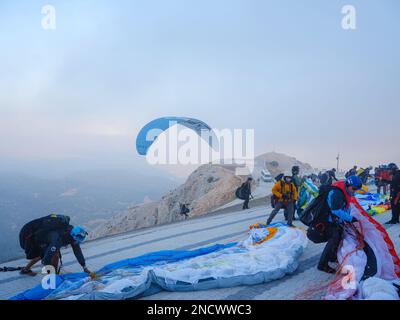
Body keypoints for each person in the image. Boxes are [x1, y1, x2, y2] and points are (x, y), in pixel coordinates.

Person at [19, 214, 93, 277]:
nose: (76, 242)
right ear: (72, 237)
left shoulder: (71, 232)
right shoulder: (57, 240)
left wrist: (84, 267)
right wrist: (51, 275)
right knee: (54, 254)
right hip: (35, 238)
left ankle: (26, 270)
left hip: (48, 238)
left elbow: (77, 251)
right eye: (76, 240)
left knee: (47, 253)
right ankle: (55, 275)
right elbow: (46, 260)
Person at [317, 176, 363, 273]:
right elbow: (336, 210)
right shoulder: (337, 193)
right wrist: (350, 218)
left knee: (339, 237)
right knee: (334, 238)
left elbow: (345, 207)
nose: (354, 191)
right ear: (348, 185)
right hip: (327, 219)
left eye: (357, 190)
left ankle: (333, 257)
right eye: (354, 189)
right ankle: (322, 264)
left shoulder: (346, 191)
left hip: (334, 219)